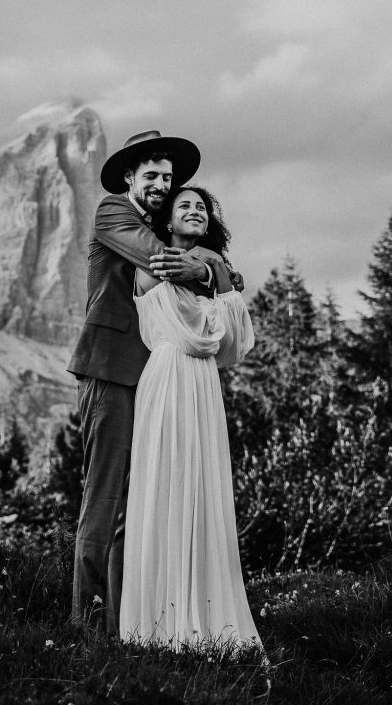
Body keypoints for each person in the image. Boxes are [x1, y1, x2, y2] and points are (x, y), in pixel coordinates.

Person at [69, 131, 235, 633]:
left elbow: (186, 264)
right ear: (129, 177)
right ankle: (87, 630)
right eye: (153, 176)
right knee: (104, 501)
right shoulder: (113, 213)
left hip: (157, 378)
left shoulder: (160, 223)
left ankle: (127, 625)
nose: (162, 184)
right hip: (111, 370)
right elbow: (162, 259)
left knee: (138, 507)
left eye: (168, 177)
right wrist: (217, 267)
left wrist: (209, 267)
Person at [120, 185, 262, 653]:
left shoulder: (211, 269)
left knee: (204, 491)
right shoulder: (152, 264)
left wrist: (213, 267)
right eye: (184, 206)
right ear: (167, 222)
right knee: (168, 485)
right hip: (169, 375)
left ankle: (207, 620)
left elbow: (235, 342)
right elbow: (196, 334)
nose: (195, 211)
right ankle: (162, 627)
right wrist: (214, 270)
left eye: (201, 207)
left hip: (204, 386)